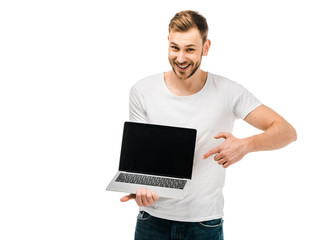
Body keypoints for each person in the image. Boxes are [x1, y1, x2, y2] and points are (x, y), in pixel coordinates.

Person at [120, 10, 297, 240]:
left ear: (206, 47)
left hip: (204, 225)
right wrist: (140, 189)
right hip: (151, 221)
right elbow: (138, 161)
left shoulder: (227, 91)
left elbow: (287, 131)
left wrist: (246, 145)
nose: (181, 58)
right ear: (168, 43)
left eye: (190, 49)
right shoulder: (142, 91)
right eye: (175, 48)